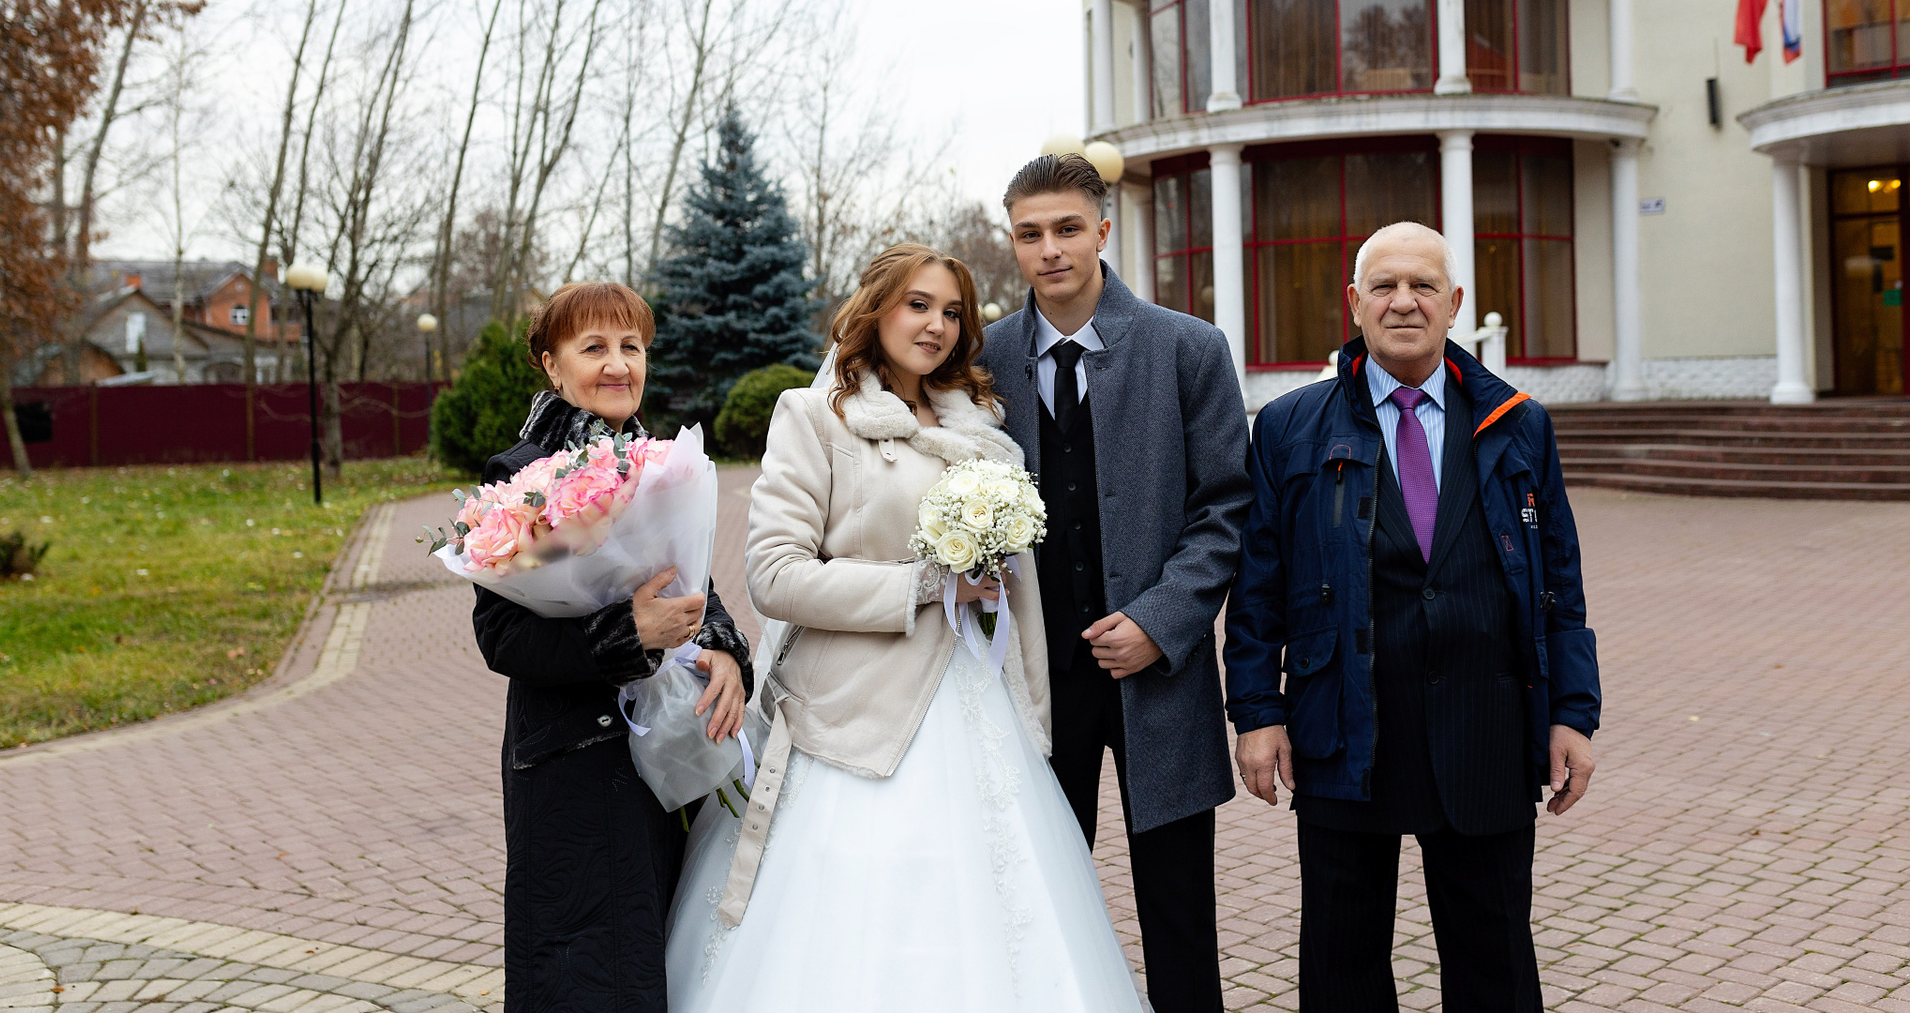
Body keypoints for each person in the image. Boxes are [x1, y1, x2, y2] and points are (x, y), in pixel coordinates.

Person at [665, 243, 1143, 1013]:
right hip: (851, 712)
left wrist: (989, 575)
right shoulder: (814, 418)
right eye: (918, 305)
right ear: (876, 308)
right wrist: (923, 585)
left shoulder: (981, 426)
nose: (937, 326)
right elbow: (775, 577)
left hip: (976, 694)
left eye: (952, 311)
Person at [1226, 221, 1601, 1013]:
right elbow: (1258, 587)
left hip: (1486, 724)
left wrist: (1572, 712)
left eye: (1423, 286)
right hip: (1342, 722)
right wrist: (1258, 712)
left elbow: (1558, 583)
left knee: (1495, 958)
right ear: (1353, 301)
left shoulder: (1520, 423)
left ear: (1454, 303)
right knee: (1342, 959)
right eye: (1385, 286)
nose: (1404, 302)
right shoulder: (1289, 427)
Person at [978, 154, 1251, 1013]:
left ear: (1102, 230)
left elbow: (1227, 506)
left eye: (1067, 229)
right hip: (1033, 681)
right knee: (1037, 903)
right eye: (1030, 234)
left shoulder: (1188, 348)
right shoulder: (982, 359)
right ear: (1013, 242)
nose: (1050, 250)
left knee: (1178, 910)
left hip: (1158, 677)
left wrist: (1160, 620)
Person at [470, 281, 753, 1013]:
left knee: (661, 956)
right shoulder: (522, 474)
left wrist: (725, 650)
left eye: (632, 347)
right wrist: (627, 636)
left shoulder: (660, 465)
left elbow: (692, 583)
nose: (619, 364)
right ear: (551, 364)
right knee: (584, 971)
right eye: (593, 347)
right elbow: (501, 634)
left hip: (669, 757)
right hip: (574, 764)